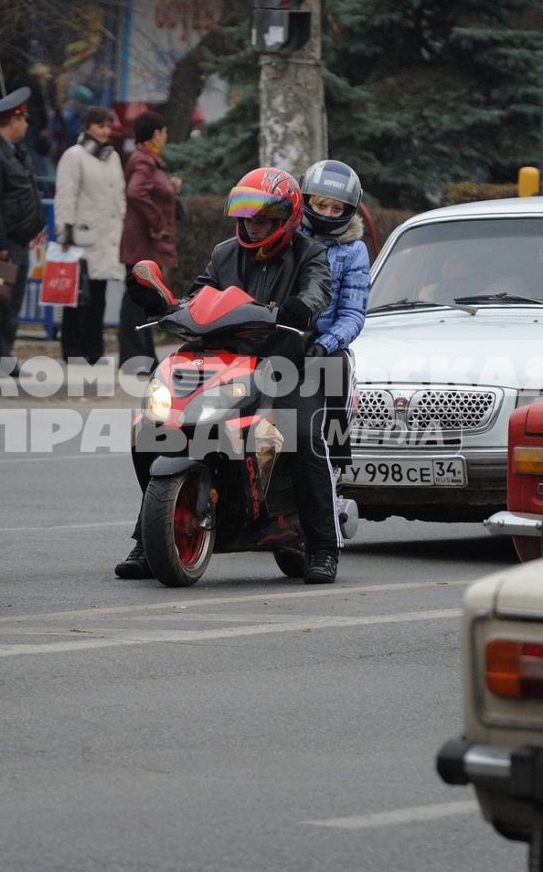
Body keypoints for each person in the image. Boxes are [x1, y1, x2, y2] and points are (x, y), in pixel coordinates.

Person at [115, 168, 340, 585]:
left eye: (262, 219)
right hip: (225, 360)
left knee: (305, 436)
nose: (252, 226)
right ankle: (151, 539)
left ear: (285, 219)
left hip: (287, 362)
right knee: (155, 425)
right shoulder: (224, 254)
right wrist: (159, 301)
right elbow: (199, 297)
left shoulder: (309, 254)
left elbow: (317, 289)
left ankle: (324, 546)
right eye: (246, 217)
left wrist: (301, 308)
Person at [299, 159, 372, 506]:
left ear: (348, 210)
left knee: (337, 368)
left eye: (336, 207)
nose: (327, 213)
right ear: (306, 200)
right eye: (320, 204)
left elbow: (353, 313)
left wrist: (324, 344)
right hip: (276, 339)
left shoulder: (354, 249)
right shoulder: (285, 236)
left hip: (322, 346)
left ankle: (335, 460)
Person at [0, 86, 44, 371]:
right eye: (23, 119)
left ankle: (4, 355)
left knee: (11, 304)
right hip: (2, 246)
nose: (26, 125)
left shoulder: (15, 152)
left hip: (19, 242)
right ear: (12, 120)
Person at [52, 106, 125, 365]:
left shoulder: (112, 157)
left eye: (108, 125)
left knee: (98, 296)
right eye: (101, 125)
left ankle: (94, 350)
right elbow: (66, 194)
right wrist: (65, 230)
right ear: (87, 126)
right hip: (81, 237)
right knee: (76, 298)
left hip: (106, 238)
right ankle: (72, 350)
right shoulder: (75, 155)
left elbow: (119, 196)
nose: (106, 131)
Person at [117, 110, 181, 368]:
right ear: (156, 133)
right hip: (141, 242)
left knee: (142, 299)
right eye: (164, 132)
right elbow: (135, 192)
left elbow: (148, 190)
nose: (165, 136)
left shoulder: (149, 160)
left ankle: (142, 356)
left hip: (142, 242)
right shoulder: (144, 161)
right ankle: (136, 358)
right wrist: (156, 221)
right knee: (136, 299)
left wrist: (170, 187)